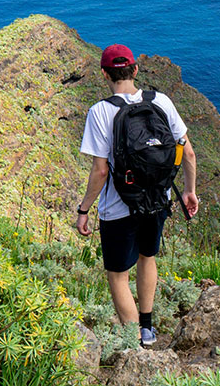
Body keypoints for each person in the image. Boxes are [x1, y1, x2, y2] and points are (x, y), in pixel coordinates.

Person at [75, 43, 200, 347]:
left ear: (105, 74)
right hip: (158, 199)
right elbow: (189, 153)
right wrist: (188, 191)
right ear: (136, 70)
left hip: (119, 207)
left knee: (118, 275)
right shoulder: (162, 101)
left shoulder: (100, 112)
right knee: (148, 257)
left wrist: (84, 209)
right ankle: (147, 327)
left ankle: (135, 343)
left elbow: (101, 171)